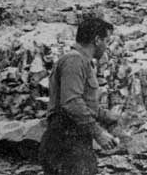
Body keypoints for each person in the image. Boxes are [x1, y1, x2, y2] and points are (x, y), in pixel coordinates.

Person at [39, 15, 118, 175]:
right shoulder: (74, 61)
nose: (107, 47)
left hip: (75, 143)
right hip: (65, 143)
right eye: (106, 41)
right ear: (97, 40)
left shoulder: (81, 62)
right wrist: (99, 133)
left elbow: (85, 104)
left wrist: (109, 116)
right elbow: (72, 103)